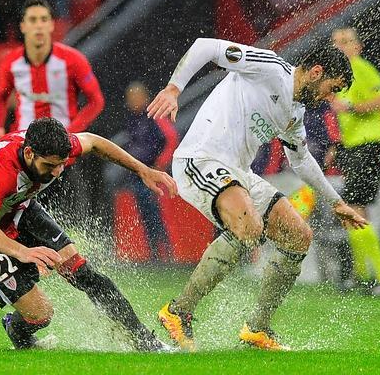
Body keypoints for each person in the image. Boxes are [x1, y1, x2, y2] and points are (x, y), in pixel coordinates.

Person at [147, 37, 367, 351]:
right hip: (201, 159)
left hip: (239, 173)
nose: (329, 98)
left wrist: (337, 202)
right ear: (316, 72)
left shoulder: (295, 112)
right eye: (331, 88)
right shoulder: (268, 67)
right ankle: (178, 312)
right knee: (248, 228)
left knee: (298, 235)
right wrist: (173, 88)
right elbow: (205, 47)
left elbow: (300, 159)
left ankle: (257, 329)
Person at [0, 117, 177, 351]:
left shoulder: (56, 147)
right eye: (49, 166)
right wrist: (24, 252)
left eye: (61, 164)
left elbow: (94, 142)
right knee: (41, 315)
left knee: (83, 273)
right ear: (30, 153)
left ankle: (146, 342)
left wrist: (143, 170)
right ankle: (16, 329)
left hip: (19, 208)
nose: (56, 173)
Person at [328, 26, 380, 295]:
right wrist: (337, 146)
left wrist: (353, 108)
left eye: (346, 42)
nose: (341, 47)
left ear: (358, 46)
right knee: (352, 211)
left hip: (368, 145)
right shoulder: (344, 75)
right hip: (354, 146)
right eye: (336, 43)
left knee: (354, 209)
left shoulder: (361, 68)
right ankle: (362, 275)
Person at [0, 0, 104, 137]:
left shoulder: (74, 60)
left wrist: (71, 133)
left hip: (62, 147)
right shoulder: (11, 62)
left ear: (51, 25)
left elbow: (96, 101)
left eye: (44, 19)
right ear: (23, 26)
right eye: (33, 20)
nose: (39, 25)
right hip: (24, 142)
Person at [120, 81, 178, 262]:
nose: (132, 101)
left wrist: (160, 165)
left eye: (135, 97)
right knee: (145, 211)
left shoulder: (155, 114)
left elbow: (171, 138)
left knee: (154, 210)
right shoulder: (132, 119)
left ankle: (166, 253)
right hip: (138, 172)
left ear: (145, 98)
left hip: (153, 172)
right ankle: (154, 253)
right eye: (130, 98)